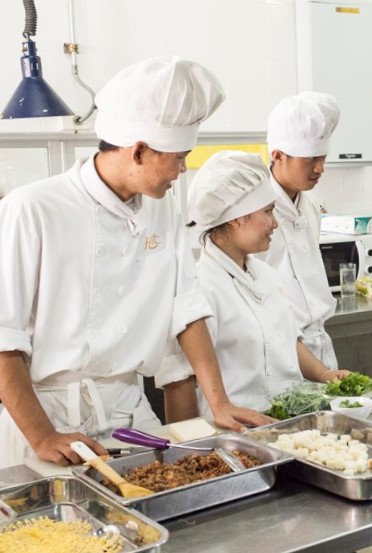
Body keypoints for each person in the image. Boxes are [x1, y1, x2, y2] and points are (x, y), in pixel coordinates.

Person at [0, 57, 270, 469]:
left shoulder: (162, 209)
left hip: (129, 412)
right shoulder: (33, 209)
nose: (182, 170)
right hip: (45, 415)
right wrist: (42, 435)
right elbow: (5, 337)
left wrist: (219, 402)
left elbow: (187, 309)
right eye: (179, 158)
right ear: (139, 151)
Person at [156, 151, 349, 416]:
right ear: (236, 217)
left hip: (287, 425)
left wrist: (325, 375)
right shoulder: (198, 288)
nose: (275, 223)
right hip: (234, 435)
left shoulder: (267, 276)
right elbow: (179, 382)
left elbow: (289, 341)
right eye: (268, 212)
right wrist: (190, 448)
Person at [259, 92, 341, 371]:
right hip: (276, 348)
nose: (320, 168)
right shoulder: (254, 210)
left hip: (319, 343)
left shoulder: (312, 205)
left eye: (323, 157)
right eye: (309, 159)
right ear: (278, 155)